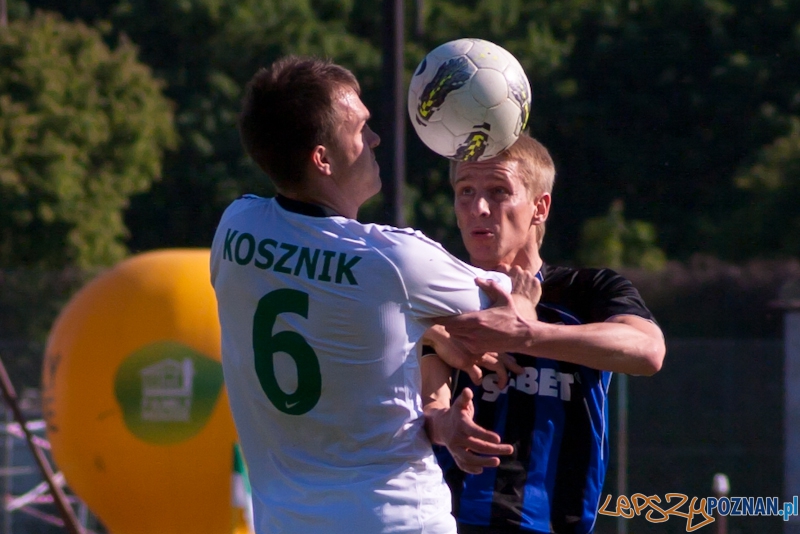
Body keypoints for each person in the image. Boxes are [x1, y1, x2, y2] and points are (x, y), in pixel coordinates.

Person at [209, 55, 522, 534]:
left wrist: (431, 332)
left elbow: (326, 298)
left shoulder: (235, 229)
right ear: (322, 159)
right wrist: (460, 322)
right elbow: (508, 313)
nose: (375, 139)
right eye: (361, 129)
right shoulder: (396, 261)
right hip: (397, 519)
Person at [421, 133, 666, 534]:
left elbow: (647, 351)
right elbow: (431, 400)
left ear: (540, 206)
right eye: (465, 191)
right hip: (450, 522)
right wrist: (444, 424)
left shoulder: (587, 290)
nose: (478, 208)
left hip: (555, 524)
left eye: (498, 191)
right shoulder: (435, 295)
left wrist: (524, 333)